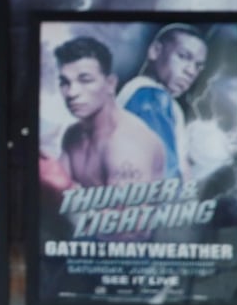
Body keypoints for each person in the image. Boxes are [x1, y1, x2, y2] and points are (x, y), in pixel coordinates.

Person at [40, 36, 165, 192]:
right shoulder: (72, 135)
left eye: (85, 80)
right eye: (65, 82)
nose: (72, 93)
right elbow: (54, 198)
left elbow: (124, 216)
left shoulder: (127, 146)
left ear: (110, 84)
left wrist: (64, 188)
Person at [117, 23, 208, 182]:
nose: (191, 71)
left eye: (198, 66)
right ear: (155, 51)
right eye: (183, 56)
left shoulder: (157, 98)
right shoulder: (151, 95)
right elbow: (162, 174)